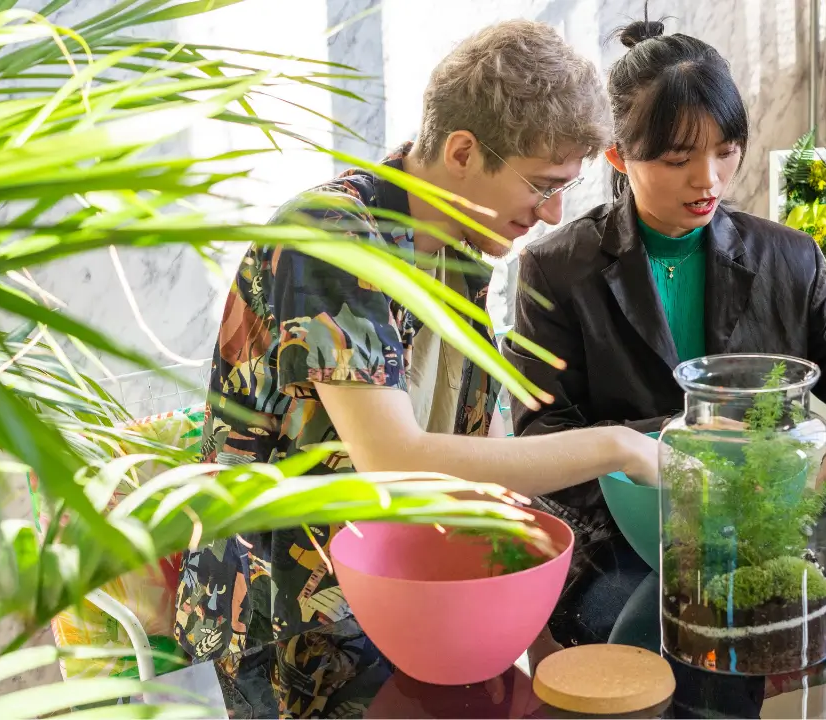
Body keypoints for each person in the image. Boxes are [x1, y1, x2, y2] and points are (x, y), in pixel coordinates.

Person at [173, 20, 658, 718]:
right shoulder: (332, 238)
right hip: (289, 619)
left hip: (409, 597)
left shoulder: (458, 256)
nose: (553, 214)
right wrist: (619, 446)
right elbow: (392, 458)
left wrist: (541, 636)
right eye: (543, 185)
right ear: (463, 150)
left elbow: (480, 460)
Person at [503, 18, 826, 646]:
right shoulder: (557, 269)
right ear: (620, 155)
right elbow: (542, 438)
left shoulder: (788, 260)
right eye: (679, 159)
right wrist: (681, 455)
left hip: (765, 542)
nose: (709, 179)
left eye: (726, 150)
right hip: (623, 547)